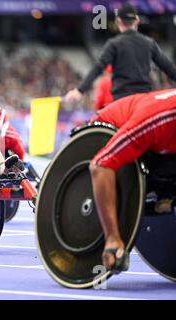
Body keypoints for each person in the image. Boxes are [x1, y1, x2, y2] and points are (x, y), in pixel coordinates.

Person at [89, 88, 176, 274]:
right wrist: (112, 237)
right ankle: (112, 236)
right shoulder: (156, 119)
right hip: (111, 129)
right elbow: (100, 166)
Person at [66, 4, 176, 104]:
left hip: (121, 100)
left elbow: (98, 67)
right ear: (136, 21)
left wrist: (80, 90)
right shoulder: (149, 43)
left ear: (118, 21)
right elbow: (167, 66)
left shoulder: (114, 44)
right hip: (143, 100)